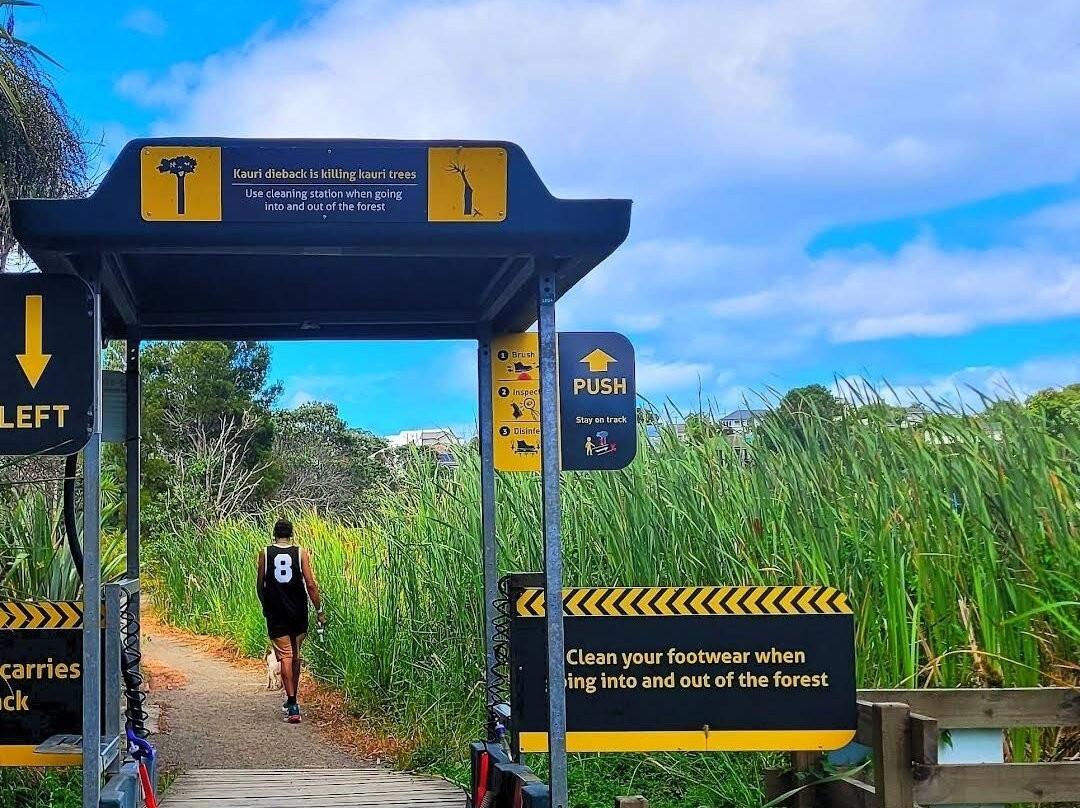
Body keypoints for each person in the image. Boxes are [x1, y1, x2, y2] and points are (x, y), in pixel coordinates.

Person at [256, 518, 326, 723]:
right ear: (291, 534)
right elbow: (311, 584)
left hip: (276, 611)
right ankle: (292, 698)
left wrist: (265, 605)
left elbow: (260, 584)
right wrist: (319, 610)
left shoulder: (266, 553)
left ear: (274, 534)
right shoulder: (300, 552)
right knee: (295, 654)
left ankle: (293, 703)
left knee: (285, 656)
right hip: (298, 610)